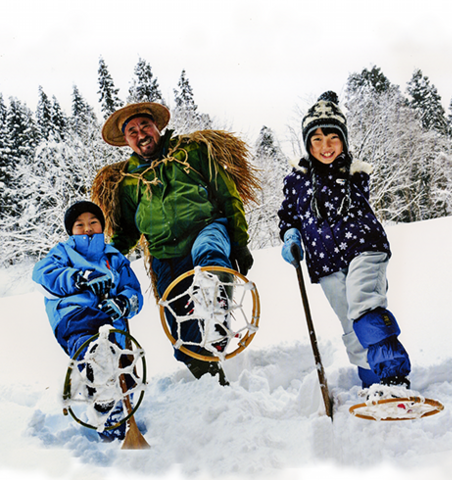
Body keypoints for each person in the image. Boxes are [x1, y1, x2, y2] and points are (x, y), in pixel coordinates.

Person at [94, 102, 257, 385]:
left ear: (158, 127)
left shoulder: (192, 151)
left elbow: (228, 195)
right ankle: (213, 386)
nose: (140, 133)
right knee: (185, 340)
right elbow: (128, 231)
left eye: (145, 125)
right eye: (132, 131)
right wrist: (105, 258)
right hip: (165, 255)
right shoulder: (128, 181)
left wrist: (240, 243)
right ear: (126, 140)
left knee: (208, 256)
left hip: (206, 230)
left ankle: (214, 300)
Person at [278, 91, 411, 389]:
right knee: (350, 324)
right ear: (307, 143)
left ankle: (393, 377)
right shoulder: (296, 181)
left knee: (364, 306)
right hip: (325, 263)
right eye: (317, 139)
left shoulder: (351, 172)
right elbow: (288, 217)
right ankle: (373, 380)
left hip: (364, 247)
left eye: (333, 138)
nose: (326, 147)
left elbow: (343, 174)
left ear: (344, 141)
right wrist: (290, 236)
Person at [32, 200, 144, 441]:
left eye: (93, 222)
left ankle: (118, 426)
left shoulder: (114, 258)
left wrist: (123, 303)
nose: (87, 228)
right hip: (76, 315)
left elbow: (133, 291)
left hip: (112, 323)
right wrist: (79, 278)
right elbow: (43, 274)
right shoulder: (63, 253)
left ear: (102, 227)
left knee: (126, 371)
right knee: (94, 347)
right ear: (71, 230)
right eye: (80, 224)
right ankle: (99, 374)